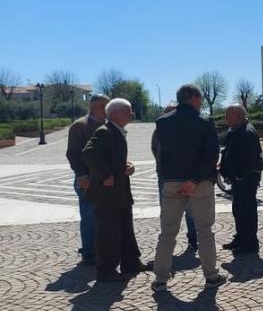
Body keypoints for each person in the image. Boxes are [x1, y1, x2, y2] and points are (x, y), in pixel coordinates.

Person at [151, 84, 226, 292]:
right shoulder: (204, 123)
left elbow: (160, 154)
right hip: (199, 183)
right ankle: (211, 275)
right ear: (193, 97)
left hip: (171, 182)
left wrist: (166, 177)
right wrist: (194, 180)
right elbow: (212, 155)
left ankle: (160, 279)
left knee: (167, 232)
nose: (201, 101)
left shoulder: (162, 122)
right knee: (204, 231)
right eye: (199, 97)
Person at [80, 98, 149, 282]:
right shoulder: (105, 131)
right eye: (128, 110)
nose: (132, 114)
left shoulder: (115, 132)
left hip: (119, 192)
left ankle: (131, 262)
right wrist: (105, 174)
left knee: (125, 228)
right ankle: (106, 270)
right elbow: (88, 152)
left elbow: (111, 157)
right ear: (116, 113)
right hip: (107, 194)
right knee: (107, 232)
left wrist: (127, 166)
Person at [65, 94, 109, 266]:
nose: (106, 109)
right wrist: (81, 175)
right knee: (89, 215)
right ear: (92, 107)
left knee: (104, 215)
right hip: (87, 179)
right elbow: (73, 153)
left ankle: (103, 249)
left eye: (108, 105)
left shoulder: (106, 124)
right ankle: (89, 252)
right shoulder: (80, 126)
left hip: (104, 178)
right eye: (103, 106)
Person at [150, 103, 197, 251]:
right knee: (167, 210)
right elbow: (155, 150)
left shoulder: (187, 130)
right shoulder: (158, 131)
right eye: (165, 114)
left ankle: (193, 238)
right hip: (165, 176)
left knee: (190, 210)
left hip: (185, 176)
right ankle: (168, 241)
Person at [220, 104, 263, 255]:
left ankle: (250, 243)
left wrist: (239, 175)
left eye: (228, 115)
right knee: (238, 210)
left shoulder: (246, 132)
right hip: (238, 179)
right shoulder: (235, 130)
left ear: (238, 116)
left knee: (247, 211)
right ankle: (240, 238)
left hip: (246, 179)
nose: (226, 118)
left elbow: (249, 159)